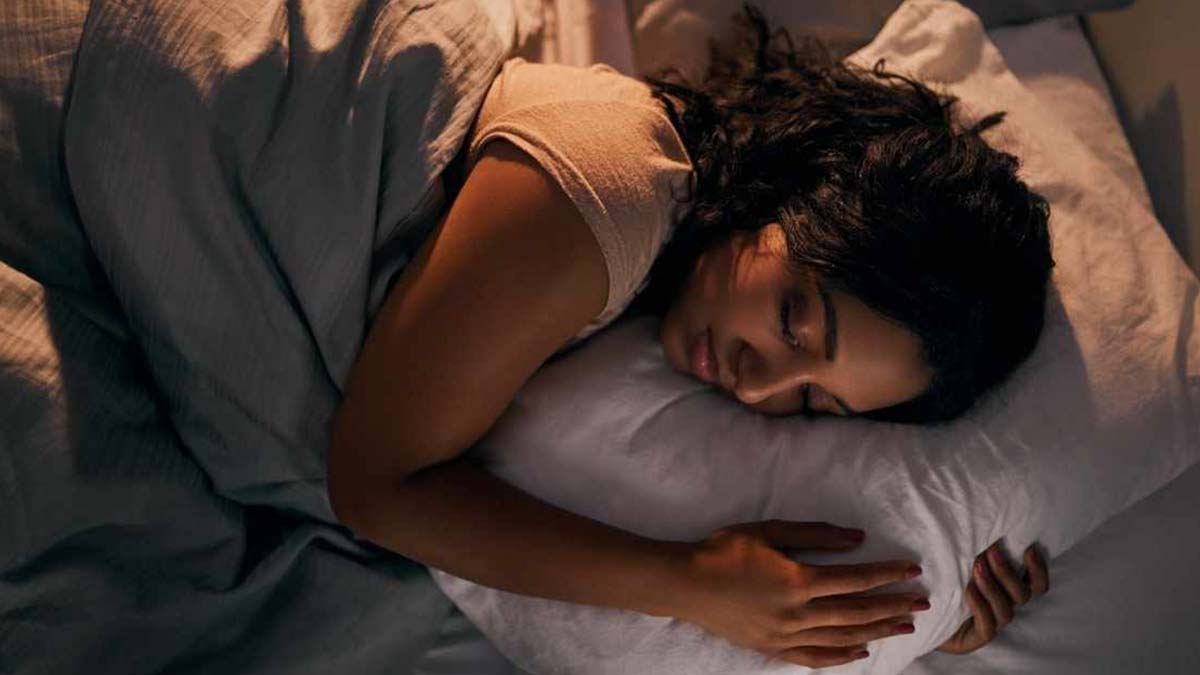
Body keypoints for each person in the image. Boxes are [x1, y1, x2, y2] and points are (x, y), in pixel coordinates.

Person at [329, 4, 1053, 669]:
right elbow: (375, 491)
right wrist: (686, 581)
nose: (757, 380)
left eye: (811, 401)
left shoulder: (662, 272)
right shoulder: (612, 188)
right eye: (794, 319)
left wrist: (933, 614)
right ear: (789, 191)